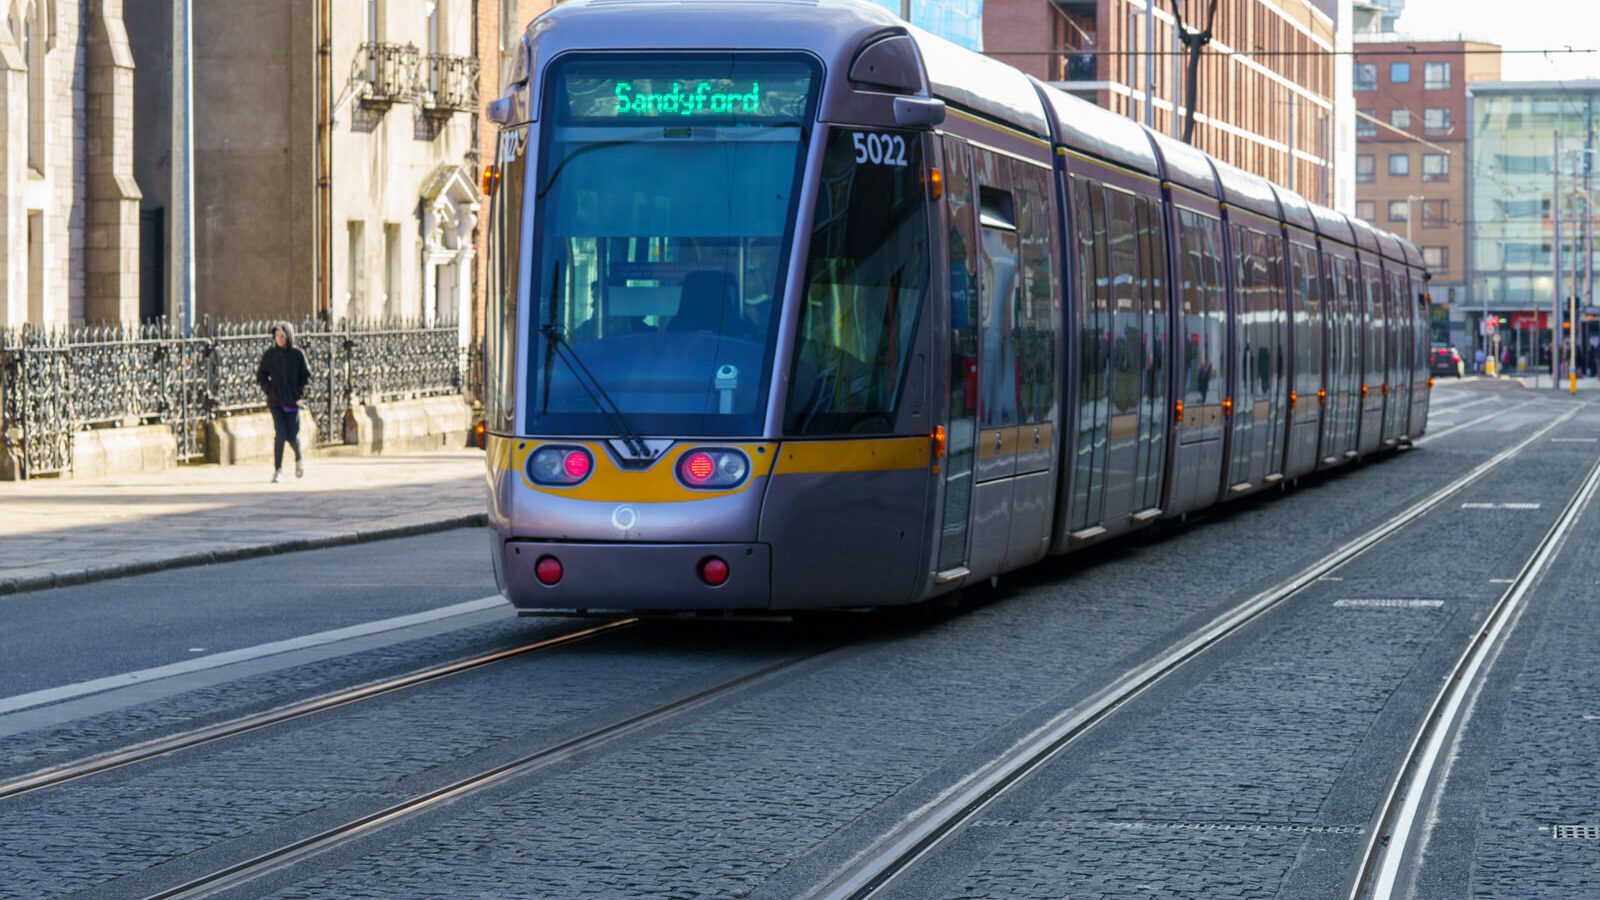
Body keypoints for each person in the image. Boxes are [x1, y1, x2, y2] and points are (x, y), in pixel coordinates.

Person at [256, 322, 310, 483]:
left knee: (292, 435)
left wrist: (300, 392)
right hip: (276, 401)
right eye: (276, 336)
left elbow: (306, 376)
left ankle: (299, 458)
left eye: (282, 336)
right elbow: (261, 375)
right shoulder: (270, 355)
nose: (279, 339)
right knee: (280, 433)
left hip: (292, 402)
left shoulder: (297, 355)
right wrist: (269, 389)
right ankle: (277, 469)